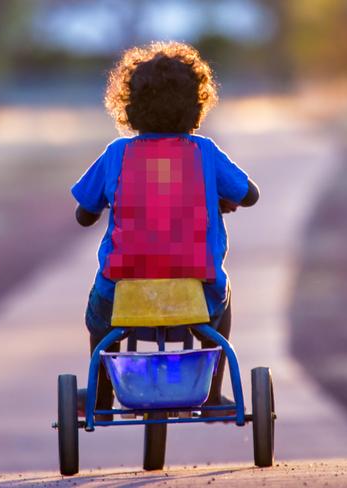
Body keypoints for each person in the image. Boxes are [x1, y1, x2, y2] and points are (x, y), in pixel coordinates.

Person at [71, 41, 259, 418]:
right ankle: (212, 394)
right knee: (223, 307)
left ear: (128, 105)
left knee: (98, 321)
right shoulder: (204, 152)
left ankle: (100, 395)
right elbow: (250, 194)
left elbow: (83, 214)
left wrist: (105, 205)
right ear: (197, 104)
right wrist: (219, 197)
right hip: (197, 292)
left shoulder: (116, 155)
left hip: (122, 292)